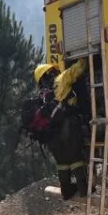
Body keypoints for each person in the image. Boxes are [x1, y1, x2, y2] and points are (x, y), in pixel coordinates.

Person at [30, 62, 89, 200]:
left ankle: (66, 190)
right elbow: (77, 69)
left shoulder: (41, 95)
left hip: (51, 132)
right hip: (69, 124)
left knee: (62, 161)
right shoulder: (61, 79)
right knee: (75, 157)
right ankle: (83, 188)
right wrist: (84, 60)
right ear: (50, 72)